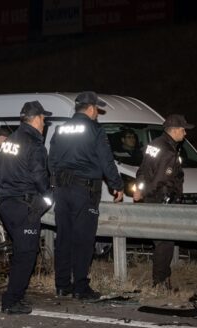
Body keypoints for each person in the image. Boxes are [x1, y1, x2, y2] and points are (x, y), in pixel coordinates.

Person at [48, 91, 124, 300]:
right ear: (90, 108)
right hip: (84, 191)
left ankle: (62, 285)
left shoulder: (61, 129)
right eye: (97, 109)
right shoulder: (95, 129)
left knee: (63, 237)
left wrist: (55, 184)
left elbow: (51, 159)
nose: (97, 113)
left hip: (62, 191)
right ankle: (80, 287)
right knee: (83, 239)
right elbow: (105, 160)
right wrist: (117, 185)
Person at [0, 101, 53, 315]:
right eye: (44, 119)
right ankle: (11, 301)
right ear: (36, 118)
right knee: (26, 254)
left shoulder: (10, 140)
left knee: (21, 252)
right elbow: (40, 176)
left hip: (6, 203)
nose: (45, 123)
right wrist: (47, 195)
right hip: (24, 206)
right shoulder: (35, 144)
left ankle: (15, 297)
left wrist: (10, 184)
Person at [133, 114, 194, 289]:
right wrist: (154, 195)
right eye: (183, 129)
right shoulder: (168, 151)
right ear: (174, 130)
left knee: (161, 242)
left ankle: (161, 280)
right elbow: (162, 180)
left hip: (152, 199)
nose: (185, 133)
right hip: (162, 201)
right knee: (165, 243)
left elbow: (143, 170)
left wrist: (140, 190)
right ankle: (160, 282)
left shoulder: (154, 145)